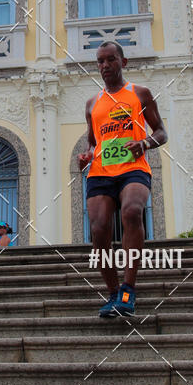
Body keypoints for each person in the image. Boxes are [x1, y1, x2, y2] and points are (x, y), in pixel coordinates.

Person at [78, 42, 167, 318]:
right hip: (101, 172)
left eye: (111, 60)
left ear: (123, 62)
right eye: (100, 61)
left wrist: (145, 143)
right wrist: (88, 155)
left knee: (131, 212)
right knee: (100, 228)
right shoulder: (92, 104)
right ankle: (113, 291)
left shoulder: (140, 94)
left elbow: (162, 132)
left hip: (133, 168)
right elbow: (94, 142)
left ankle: (129, 288)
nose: (105, 66)